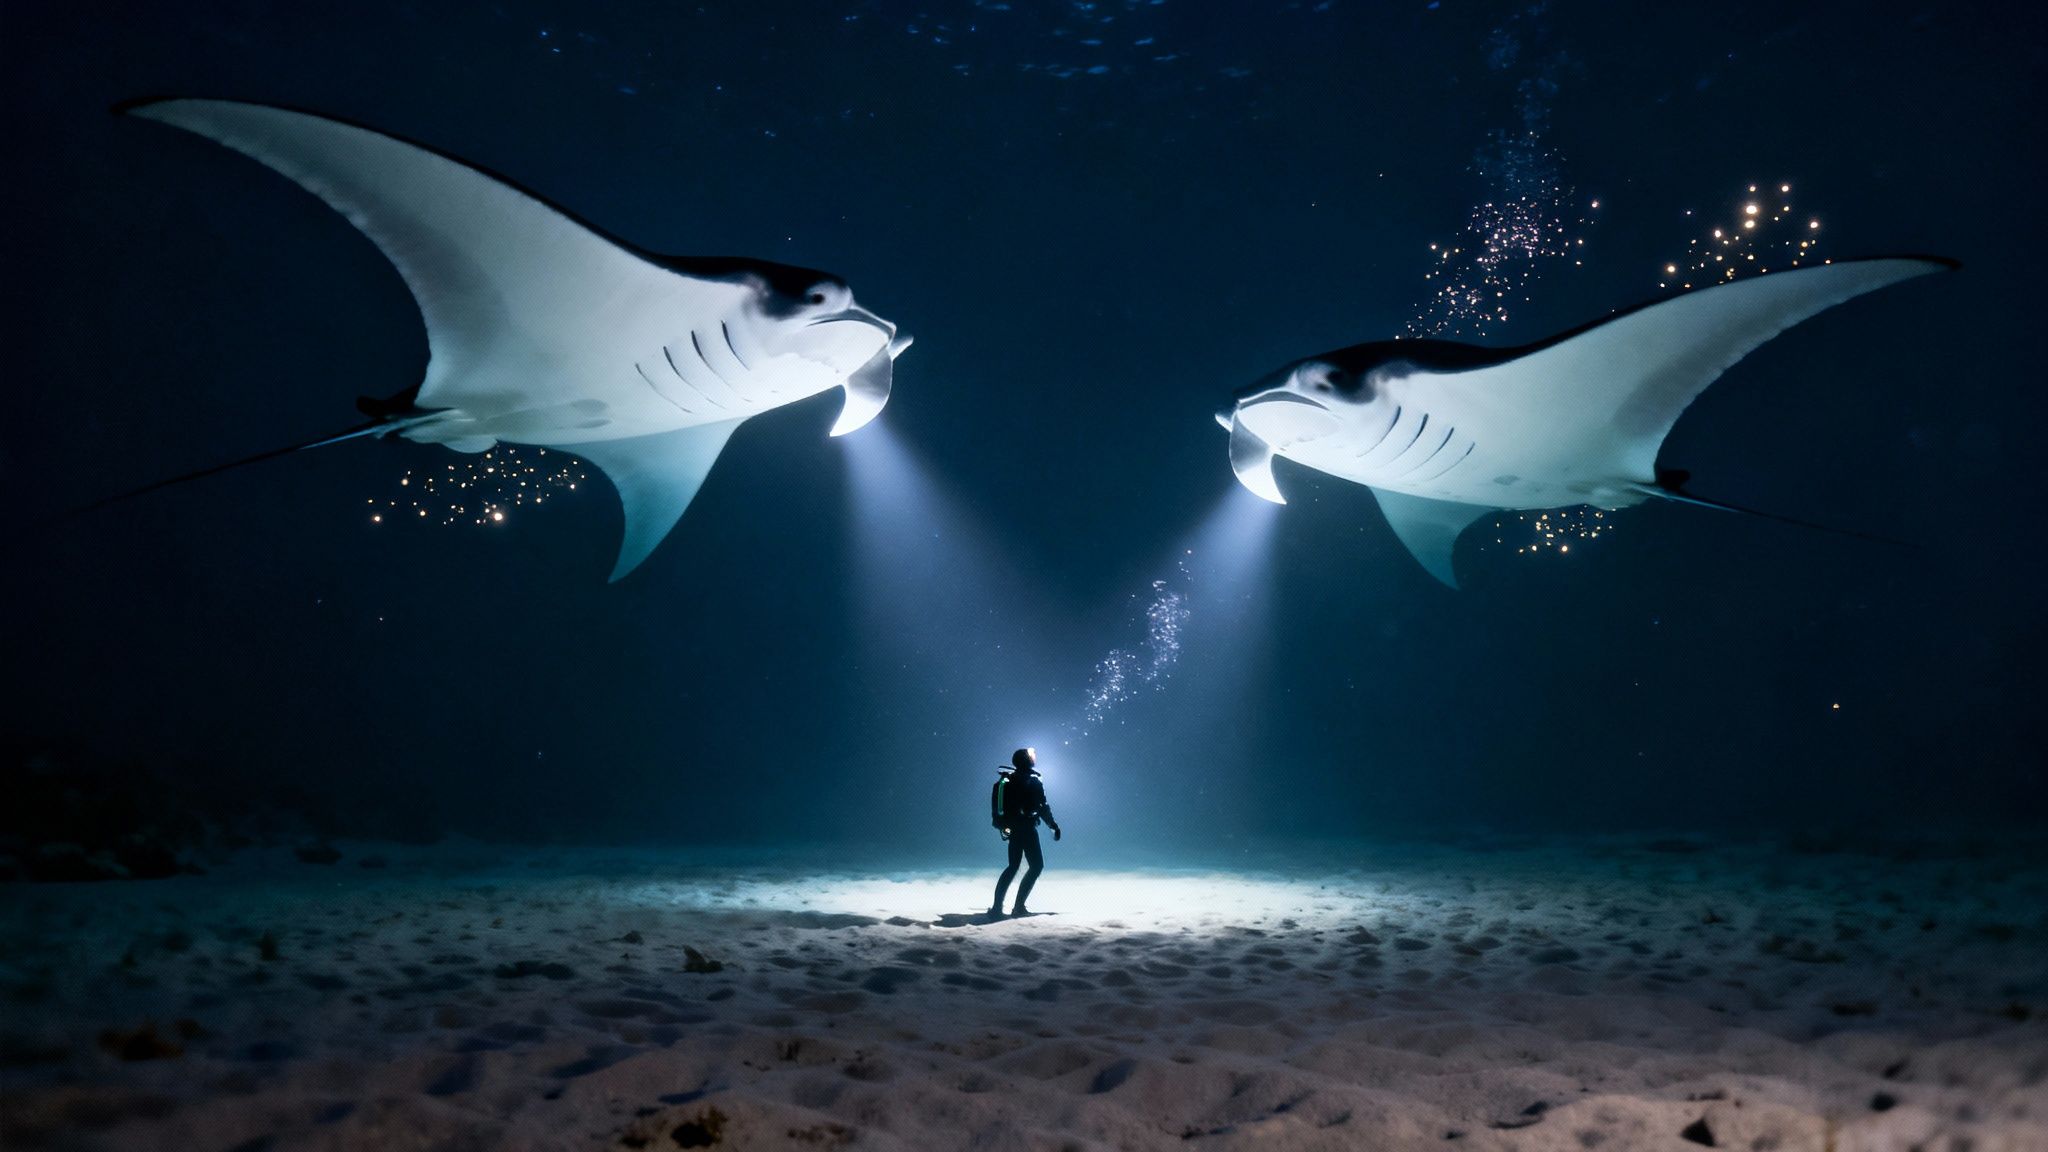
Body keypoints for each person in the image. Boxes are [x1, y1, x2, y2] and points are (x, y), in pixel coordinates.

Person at [989, 747, 1061, 917]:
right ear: (1026, 760)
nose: (1034, 757)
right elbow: (1043, 807)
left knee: (1013, 866)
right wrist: (1052, 825)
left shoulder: (1006, 782)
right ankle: (1017, 907)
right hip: (1026, 828)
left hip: (1014, 828)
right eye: (1031, 755)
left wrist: (1004, 826)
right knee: (1035, 866)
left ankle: (998, 908)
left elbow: (1040, 806)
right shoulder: (1033, 781)